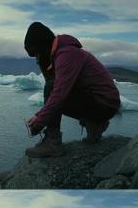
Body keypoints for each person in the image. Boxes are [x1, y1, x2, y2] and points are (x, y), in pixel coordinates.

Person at [23, 22, 121, 158]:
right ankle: (95, 124)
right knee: (53, 88)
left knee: (51, 87)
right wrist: (39, 115)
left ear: (43, 46)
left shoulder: (66, 55)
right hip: (103, 102)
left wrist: (40, 121)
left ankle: (53, 142)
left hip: (104, 103)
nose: (38, 58)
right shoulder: (62, 53)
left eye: (37, 53)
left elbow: (58, 94)